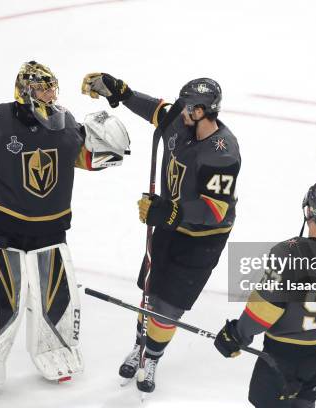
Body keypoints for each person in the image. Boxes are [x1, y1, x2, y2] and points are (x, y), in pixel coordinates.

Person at [0, 61, 130, 390]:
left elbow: (81, 156)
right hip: (2, 226)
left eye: (52, 87)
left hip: (51, 227)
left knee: (57, 296)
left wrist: (109, 149)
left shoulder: (63, 121)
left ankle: (57, 348)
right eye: (42, 87)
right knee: (1, 296)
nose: (50, 93)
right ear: (25, 89)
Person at [81, 73, 241, 393]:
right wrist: (122, 93)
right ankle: (141, 346)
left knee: (169, 305)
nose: (181, 113)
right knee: (150, 294)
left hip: (202, 238)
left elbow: (215, 210)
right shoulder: (182, 121)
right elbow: (156, 110)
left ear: (204, 112)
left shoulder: (223, 152)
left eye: (189, 109)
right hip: (169, 222)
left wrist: (170, 212)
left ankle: (152, 355)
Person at [214, 182, 316, 408]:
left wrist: (237, 335)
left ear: (308, 210)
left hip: (285, 356)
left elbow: (264, 311)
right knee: (305, 401)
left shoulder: (288, 252)